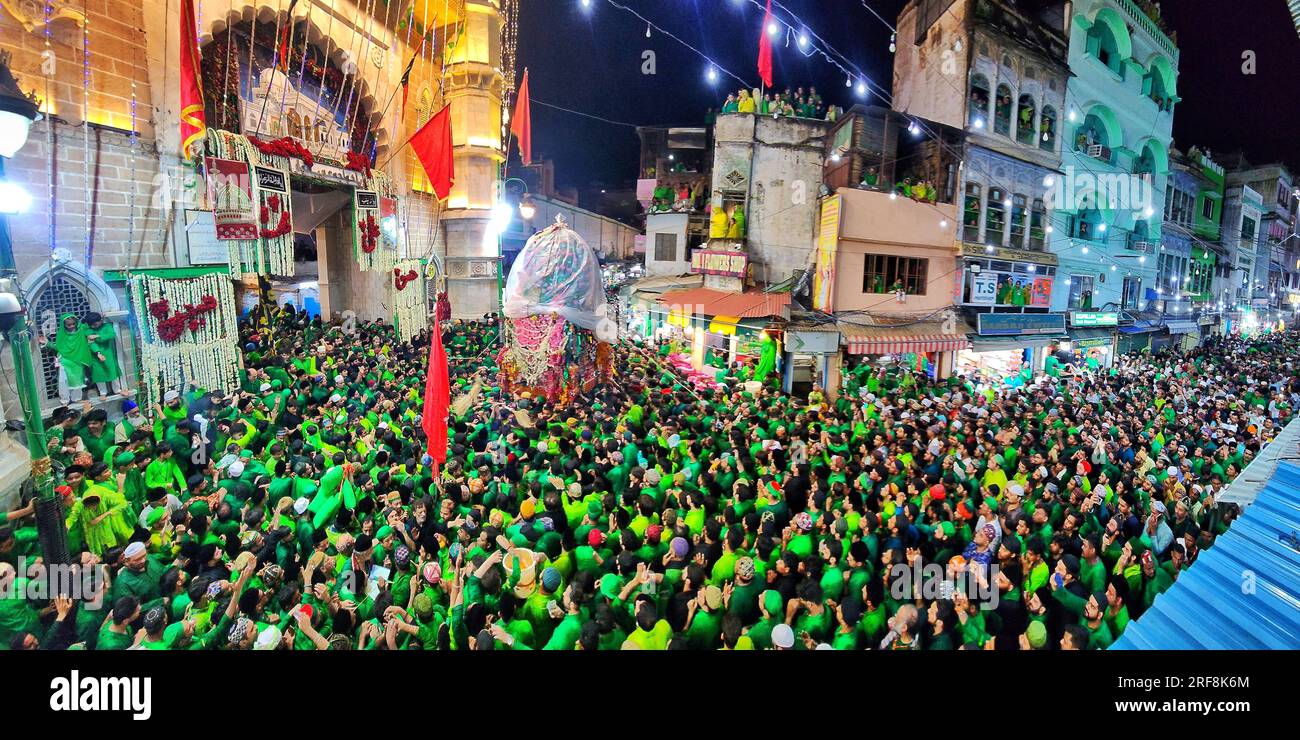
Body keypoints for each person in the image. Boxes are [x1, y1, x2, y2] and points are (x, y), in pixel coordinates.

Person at [40, 313, 94, 404]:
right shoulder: (62, 335)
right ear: (63, 324)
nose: (72, 326)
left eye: (73, 324)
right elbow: (58, 347)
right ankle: (65, 401)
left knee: (78, 380)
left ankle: (76, 399)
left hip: (78, 360)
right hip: (65, 361)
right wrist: (47, 343)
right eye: (69, 325)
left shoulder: (81, 331)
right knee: (63, 381)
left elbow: (88, 325)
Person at [85, 312, 125, 398]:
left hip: (108, 353)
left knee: (112, 371)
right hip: (95, 355)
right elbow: (91, 343)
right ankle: (103, 392)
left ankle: (117, 390)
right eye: (91, 325)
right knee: (98, 373)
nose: (93, 326)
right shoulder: (88, 330)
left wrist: (97, 336)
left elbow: (111, 335)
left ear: (101, 321)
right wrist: (98, 353)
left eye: (95, 324)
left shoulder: (107, 326)